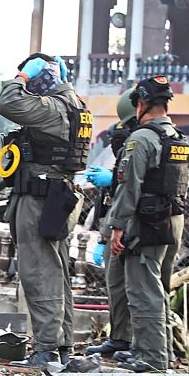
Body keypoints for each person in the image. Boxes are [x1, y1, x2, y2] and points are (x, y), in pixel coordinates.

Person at [0, 52, 91, 367]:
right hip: (57, 195)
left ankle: (46, 349)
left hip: (40, 197)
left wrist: (22, 77)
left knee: (39, 272)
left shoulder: (53, 108)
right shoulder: (77, 105)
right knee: (57, 271)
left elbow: (8, 103)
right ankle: (60, 347)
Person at [105, 75, 189, 373]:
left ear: (141, 103)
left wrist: (117, 226)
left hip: (147, 222)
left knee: (144, 289)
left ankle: (153, 358)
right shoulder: (177, 138)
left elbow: (130, 187)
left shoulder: (141, 139)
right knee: (158, 288)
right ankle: (153, 350)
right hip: (173, 219)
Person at [85, 89, 138, 359]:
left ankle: (138, 344)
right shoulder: (128, 138)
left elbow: (135, 185)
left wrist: (114, 180)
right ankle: (120, 338)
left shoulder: (148, 141)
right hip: (117, 218)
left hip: (137, 223)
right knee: (116, 284)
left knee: (136, 289)